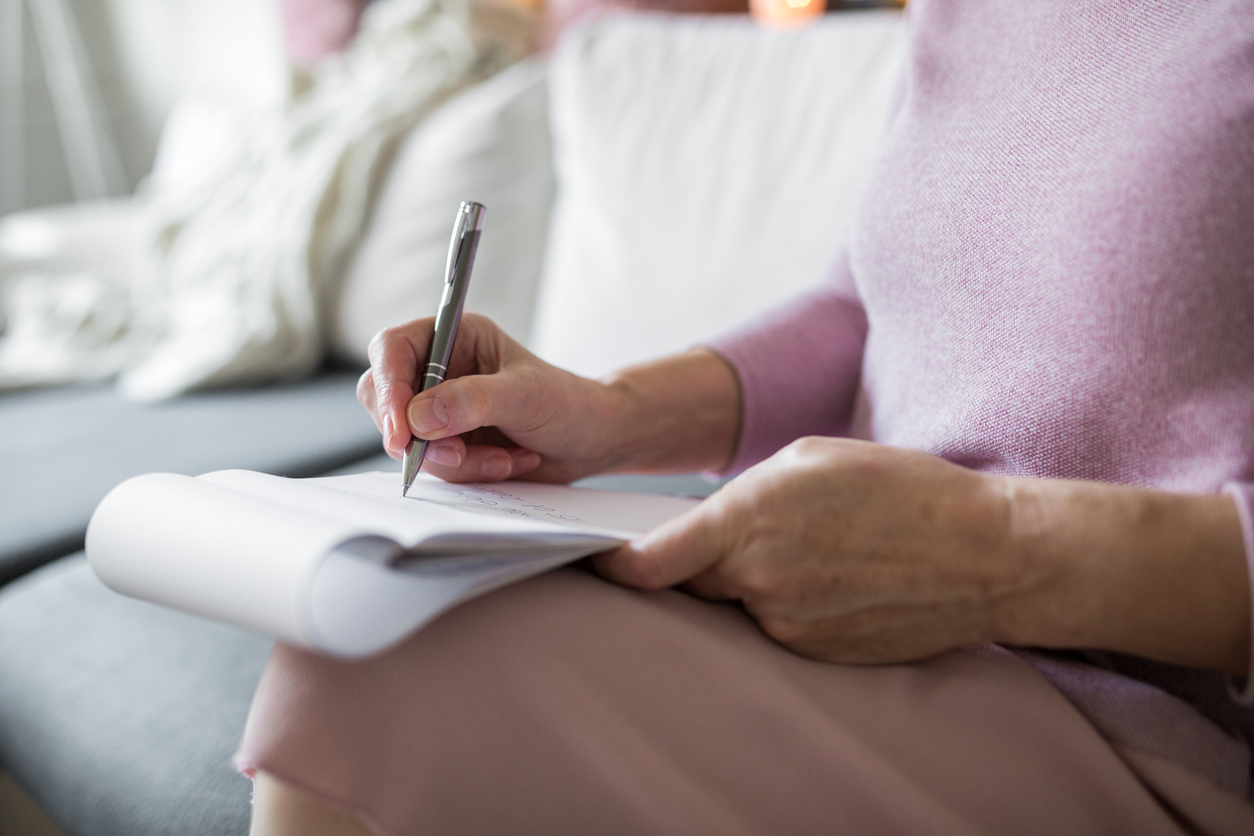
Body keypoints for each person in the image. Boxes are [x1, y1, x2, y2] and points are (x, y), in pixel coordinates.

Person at [235, 0, 1254, 833]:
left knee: (391, 664)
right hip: (878, 639)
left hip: (1153, 738)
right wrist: (611, 412)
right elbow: (867, 302)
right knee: (371, 609)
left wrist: (997, 550)